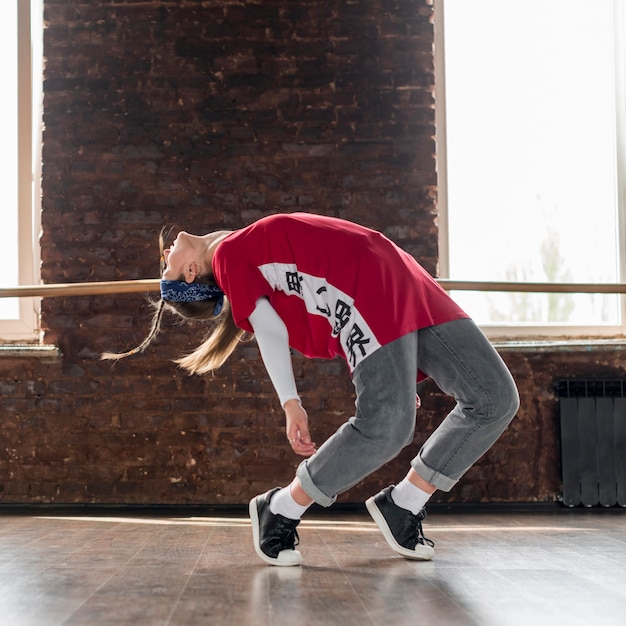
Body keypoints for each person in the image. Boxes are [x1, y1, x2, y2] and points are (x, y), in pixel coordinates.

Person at [103, 212, 519, 567]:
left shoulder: (237, 246)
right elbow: (269, 329)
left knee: (495, 398)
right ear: (192, 274)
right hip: (368, 292)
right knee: (388, 425)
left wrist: (397, 370)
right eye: (166, 268)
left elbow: (313, 291)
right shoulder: (229, 259)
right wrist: (290, 402)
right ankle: (281, 507)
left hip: (404, 278)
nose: (164, 256)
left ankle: (405, 502)